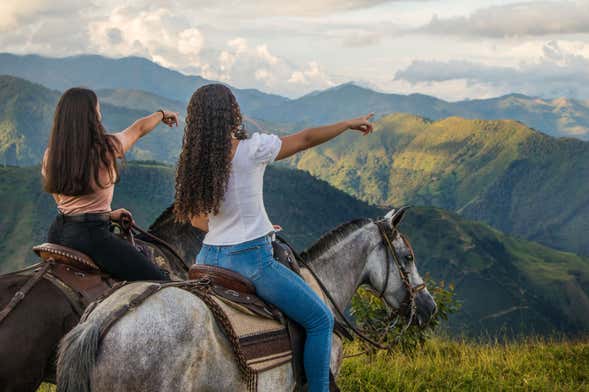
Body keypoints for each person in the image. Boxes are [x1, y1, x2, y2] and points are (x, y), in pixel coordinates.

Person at [174, 84, 373, 392]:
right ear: (231, 114)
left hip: (206, 260)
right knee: (321, 319)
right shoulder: (254, 149)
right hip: (251, 261)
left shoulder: (193, 162)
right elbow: (306, 138)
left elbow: (193, 217)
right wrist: (347, 124)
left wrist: (251, 224)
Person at [42, 87, 179, 281]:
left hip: (58, 232)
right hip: (91, 237)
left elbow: (60, 197)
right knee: (160, 283)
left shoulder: (51, 154)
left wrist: (106, 214)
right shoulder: (106, 148)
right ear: (92, 115)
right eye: (98, 108)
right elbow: (138, 129)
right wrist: (162, 114)